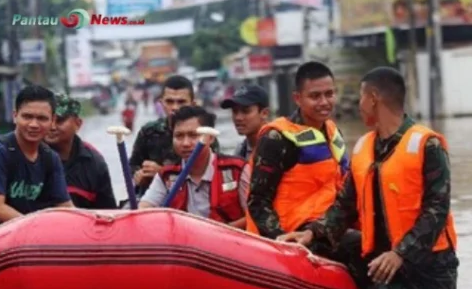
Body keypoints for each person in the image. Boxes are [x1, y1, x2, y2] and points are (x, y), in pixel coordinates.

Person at [278, 67, 461, 289]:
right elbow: (345, 204)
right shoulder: (363, 147)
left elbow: (437, 210)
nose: (358, 105)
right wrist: (312, 234)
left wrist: (400, 253)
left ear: (373, 98)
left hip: (430, 263)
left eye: (362, 98)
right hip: (382, 265)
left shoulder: (427, 144)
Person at [245, 61, 354, 259]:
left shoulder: (332, 131)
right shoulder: (276, 139)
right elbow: (257, 201)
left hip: (325, 226)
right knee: (358, 246)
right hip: (295, 233)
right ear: (297, 98)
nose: (324, 102)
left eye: (329, 94)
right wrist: (283, 240)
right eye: (315, 96)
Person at [0, 85, 73, 236]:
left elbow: (65, 207)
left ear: (53, 121)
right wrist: (37, 229)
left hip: (30, 237)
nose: (33, 124)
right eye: (27, 117)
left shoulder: (51, 158)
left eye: (42, 118)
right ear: (15, 116)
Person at [139, 106, 245, 228]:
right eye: (179, 136)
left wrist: (221, 231)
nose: (185, 143)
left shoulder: (237, 169)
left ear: (211, 138)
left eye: (193, 135)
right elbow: (144, 208)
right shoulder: (167, 175)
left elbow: (254, 215)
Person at [129, 75, 219, 197]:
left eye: (181, 102)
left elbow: (212, 173)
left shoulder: (204, 134)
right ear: (161, 103)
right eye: (169, 101)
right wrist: (139, 175)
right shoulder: (149, 131)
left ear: (193, 104)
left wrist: (162, 173)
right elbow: (132, 166)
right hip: (153, 201)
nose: (175, 107)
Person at [45, 94, 117, 209]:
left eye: (60, 120)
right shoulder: (28, 155)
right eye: (47, 120)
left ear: (78, 124)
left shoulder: (94, 162)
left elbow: (107, 213)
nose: (52, 127)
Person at [220, 84, 271, 215]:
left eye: (245, 111)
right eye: (235, 111)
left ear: (264, 113)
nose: (238, 117)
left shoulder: (279, 147)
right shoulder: (240, 151)